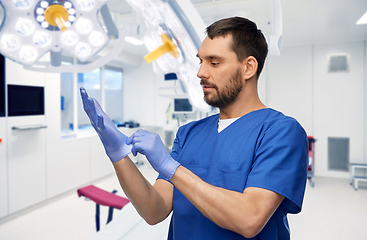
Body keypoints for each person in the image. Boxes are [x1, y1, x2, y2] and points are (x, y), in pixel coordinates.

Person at [80, 16, 308, 240]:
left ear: (248, 67)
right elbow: (154, 210)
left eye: (214, 62)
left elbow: (249, 219)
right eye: (201, 61)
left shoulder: (280, 132)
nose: (201, 73)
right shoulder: (188, 133)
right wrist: (118, 154)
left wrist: (172, 168)